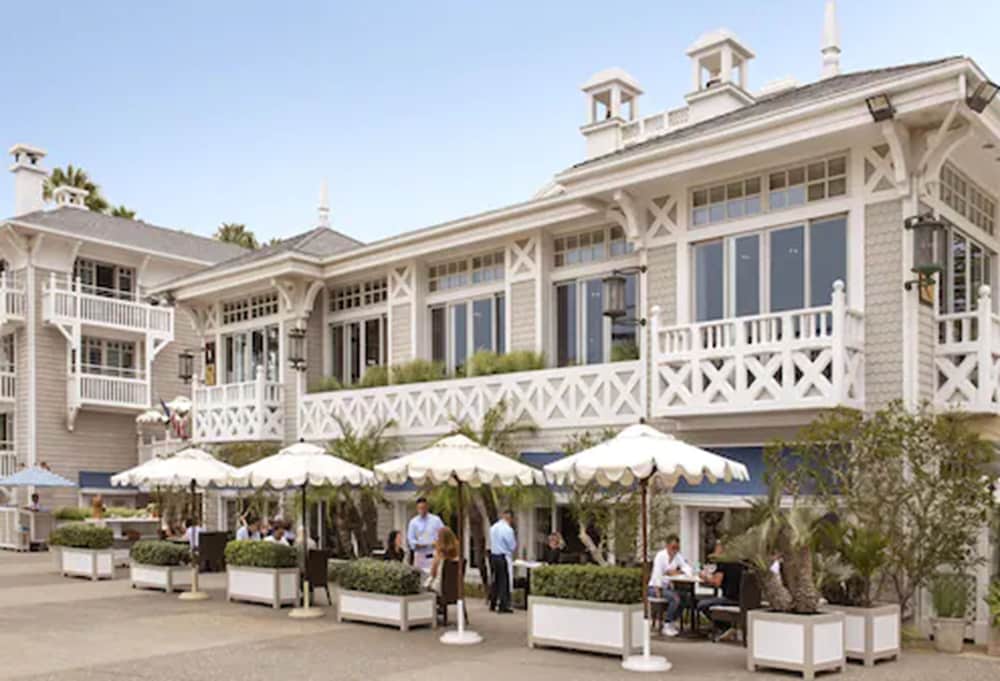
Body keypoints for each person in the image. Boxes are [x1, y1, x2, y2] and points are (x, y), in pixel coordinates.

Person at [648, 534, 691, 637]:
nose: (675, 550)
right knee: (675, 598)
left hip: (667, 588)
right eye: (673, 547)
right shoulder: (660, 556)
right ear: (667, 546)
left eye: (677, 547)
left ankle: (672, 621)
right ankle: (666, 624)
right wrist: (658, 591)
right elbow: (657, 574)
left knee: (685, 597)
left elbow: (688, 569)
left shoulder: (678, 556)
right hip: (654, 588)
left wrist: (677, 571)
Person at [695, 541, 744, 624]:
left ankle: (722, 627)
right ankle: (726, 627)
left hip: (731, 599)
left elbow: (717, 582)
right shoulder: (740, 561)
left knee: (701, 604)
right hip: (743, 599)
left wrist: (704, 577)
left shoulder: (723, 562)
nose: (714, 551)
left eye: (716, 548)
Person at [489, 509, 517, 613]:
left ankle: (492, 603)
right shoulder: (508, 530)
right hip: (503, 556)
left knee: (495, 580)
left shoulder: (493, 527)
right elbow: (512, 546)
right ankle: (503, 605)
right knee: (504, 581)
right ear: (510, 518)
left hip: (493, 555)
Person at [407, 497, 444, 571]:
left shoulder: (436, 520)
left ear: (427, 507)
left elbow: (443, 534)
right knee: (420, 577)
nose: (422, 510)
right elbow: (411, 540)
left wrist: (438, 543)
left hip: (433, 554)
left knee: (434, 576)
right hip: (420, 555)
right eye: (420, 508)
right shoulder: (413, 522)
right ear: (417, 508)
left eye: (423, 508)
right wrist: (419, 544)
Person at [426, 526, 460, 594]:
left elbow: (433, 574)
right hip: (454, 590)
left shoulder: (439, 557)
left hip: (439, 589)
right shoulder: (458, 559)